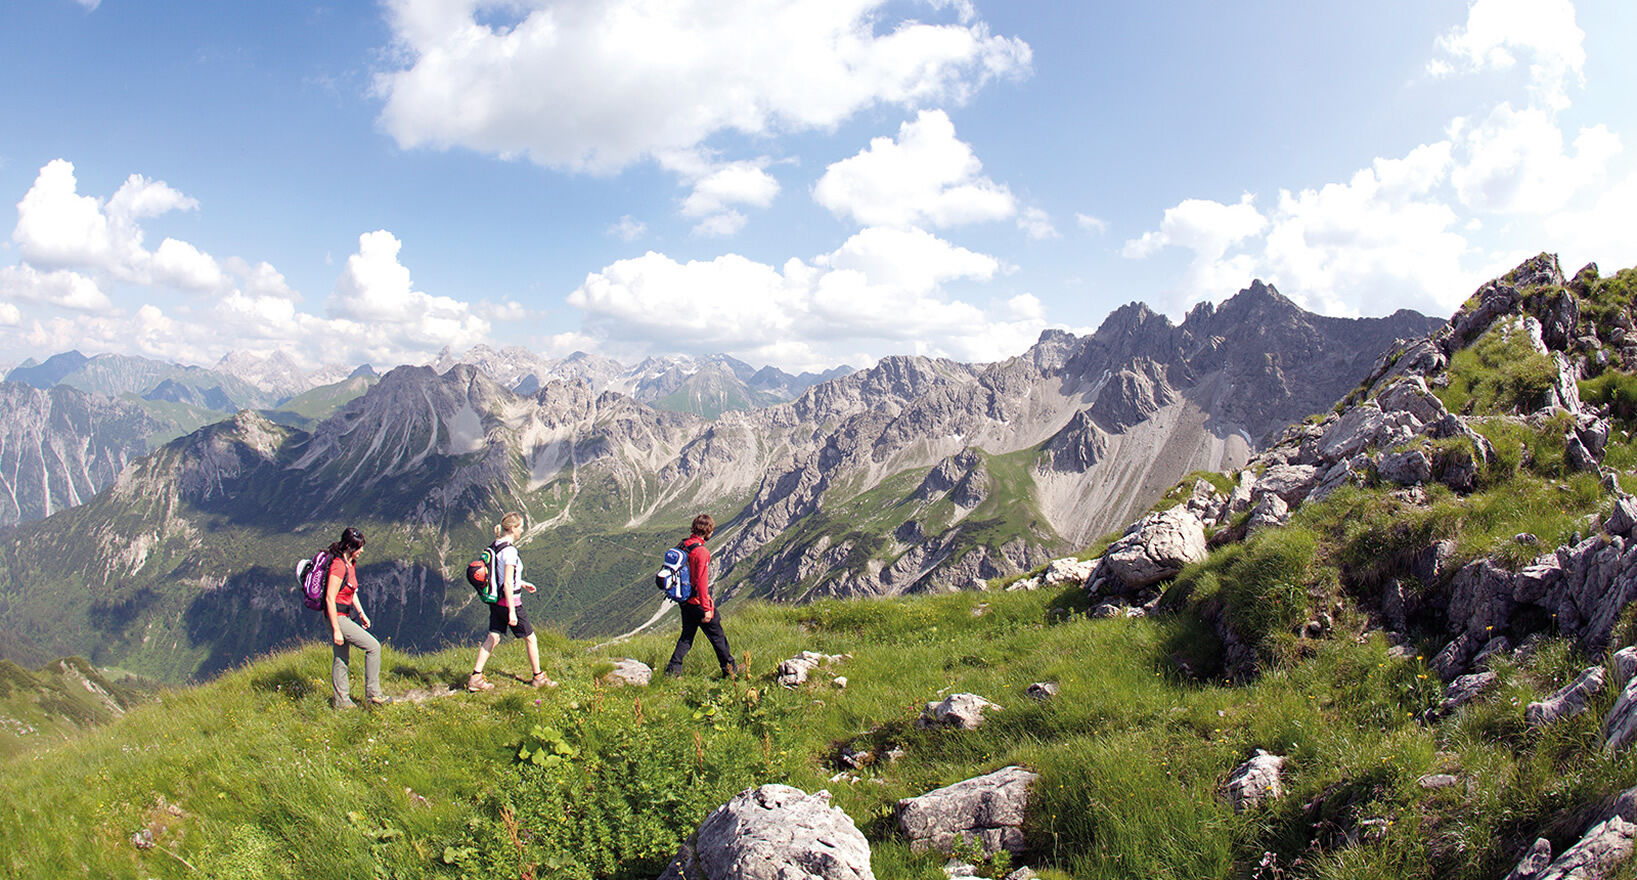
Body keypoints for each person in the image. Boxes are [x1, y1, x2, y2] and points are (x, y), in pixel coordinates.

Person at [467, 512, 554, 691]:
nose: (522, 530)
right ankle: (538, 677)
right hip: (509, 603)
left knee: (493, 637)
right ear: (513, 528)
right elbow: (506, 582)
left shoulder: (496, 545)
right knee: (531, 638)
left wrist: (522, 583)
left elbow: (501, 577)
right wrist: (513, 611)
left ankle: (476, 677)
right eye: (521, 527)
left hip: (496, 602)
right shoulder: (511, 551)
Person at [323, 527, 391, 707]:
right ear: (349, 547)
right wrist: (336, 629)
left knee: (341, 658)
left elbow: (351, 591)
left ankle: (342, 702)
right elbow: (330, 598)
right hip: (337, 617)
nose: (362, 551)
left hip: (344, 615)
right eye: (359, 547)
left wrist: (361, 614)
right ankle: (373, 694)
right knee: (373, 647)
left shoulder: (350, 563)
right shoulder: (338, 566)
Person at [664, 513, 737, 678]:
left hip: (684, 600)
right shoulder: (701, 552)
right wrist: (706, 609)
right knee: (718, 637)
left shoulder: (682, 545)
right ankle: (730, 671)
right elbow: (702, 583)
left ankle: (672, 671)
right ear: (709, 531)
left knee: (687, 636)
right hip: (698, 602)